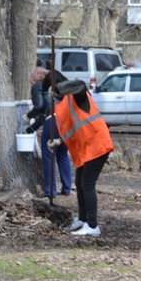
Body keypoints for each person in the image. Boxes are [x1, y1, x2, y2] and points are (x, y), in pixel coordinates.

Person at [47, 78, 114, 236]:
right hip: (87, 148)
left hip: (97, 144)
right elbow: (73, 128)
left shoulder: (77, 96)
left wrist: (58, 89)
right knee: (80, 182)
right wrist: (59, 141)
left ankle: (92, 225)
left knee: (87, 184)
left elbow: (80, 85)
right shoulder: (65, 104)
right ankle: (83, 220)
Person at [23, 68, 72, 198]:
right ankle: (67, 188)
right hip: (65, 121)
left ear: (34, 79)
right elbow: (42, 116)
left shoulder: (37, 87)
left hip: (52, 122)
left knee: (48, 156)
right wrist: (30, 129)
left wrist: (28, 116)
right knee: (63, 155)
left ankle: (50, 190)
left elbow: (39, 107)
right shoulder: (59, 88)